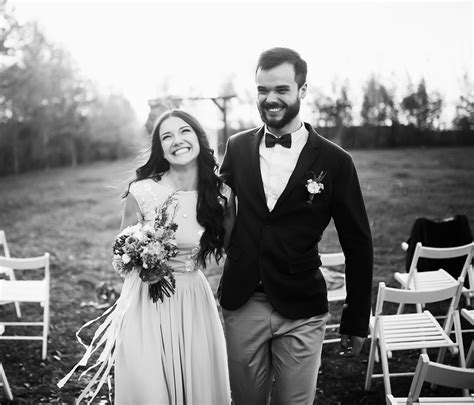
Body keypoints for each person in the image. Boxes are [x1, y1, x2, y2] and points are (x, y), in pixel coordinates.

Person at [218, 47, 373, 404]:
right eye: (262, 90)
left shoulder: (336, 162)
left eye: (281, 90)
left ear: (303, 91)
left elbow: (358, 243)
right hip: (242, 304)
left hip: (302, 308)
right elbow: (213, 206)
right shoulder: (237, 147)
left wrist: (355, 319)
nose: (270, 99)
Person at [59, 109, 232, 404]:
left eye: (184, 131)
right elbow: (122, 252)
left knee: (197, 381)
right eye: (167, 136)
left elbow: (235, 249)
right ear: (161, 149)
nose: (177, 140)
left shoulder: (221, 195)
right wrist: (141, 256)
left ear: (199, 139)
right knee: (150, 385)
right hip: (146, 302)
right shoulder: (142, 191)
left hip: (193, 300)